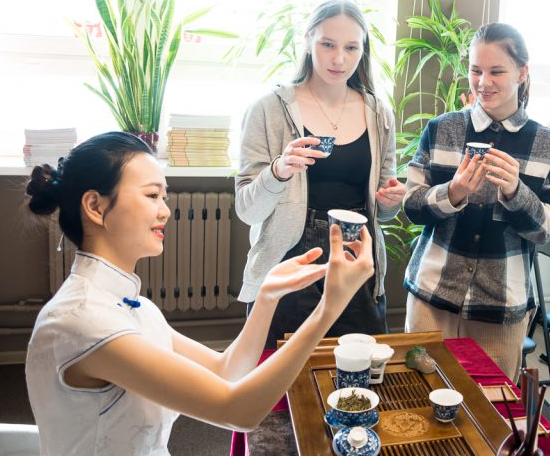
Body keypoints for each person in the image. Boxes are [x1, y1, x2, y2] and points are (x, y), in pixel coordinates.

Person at [24, 132, 375, 456]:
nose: (165, 210)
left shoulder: (134, 306)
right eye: (151, 195)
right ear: (95, 206)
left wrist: (267, 296)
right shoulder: (84, 321)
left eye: (164, 197)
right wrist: (328, 310)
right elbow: (238, 411)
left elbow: (226, 371)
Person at [402, 22, 550, 382]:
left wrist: (515, 193)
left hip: (500, 306)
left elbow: (549, 229)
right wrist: (453, 192)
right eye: (476, 70)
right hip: (432, 296)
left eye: (496, 71)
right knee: (420, 393)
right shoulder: (441, 129)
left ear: (522, 73)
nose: (483, 82)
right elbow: (411, 206)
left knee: (491, 403)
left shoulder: (548, 145)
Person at [235, 0, 404, 349]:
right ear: (308, 41)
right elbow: (247, 210)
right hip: (291, 256)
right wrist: (278, 171)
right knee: (281, 371)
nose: (339, 59)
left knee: (358, 368)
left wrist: (390, 201)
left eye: (351, 47)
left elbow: (384, 212)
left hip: (356, 253)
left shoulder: (379, 114)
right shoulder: (268, 109)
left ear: (363, 50)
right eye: (328, 44)